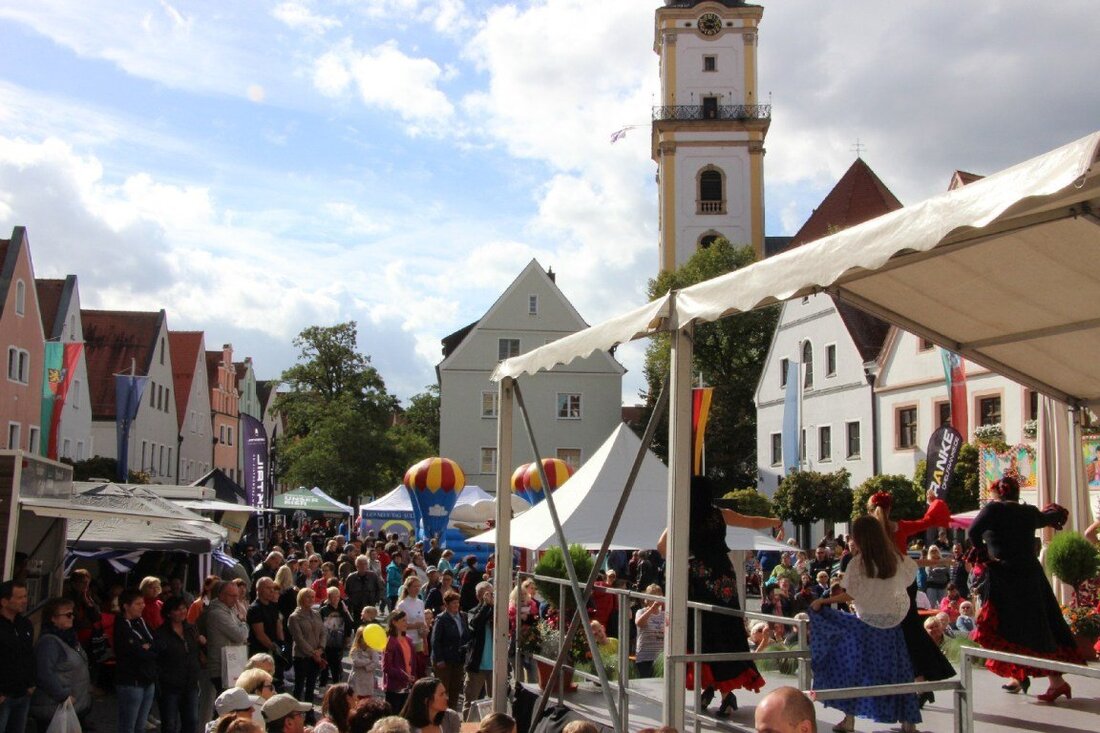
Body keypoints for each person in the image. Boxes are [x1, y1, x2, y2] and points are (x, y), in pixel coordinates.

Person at [657, 476, 780, 717]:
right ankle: (722, 691)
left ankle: (715, 688)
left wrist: (685, 560)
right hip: (724, 579)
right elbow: (750, 521)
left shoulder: (682, 515)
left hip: (699, 579)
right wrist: (774, 520)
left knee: (703, 633)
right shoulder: (719, 514)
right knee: (727, 630)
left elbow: (661, 546)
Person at [969, 476, 1086, 701]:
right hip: (1030, 575)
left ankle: (1044, 679)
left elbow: (973, 532)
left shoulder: (993, 510)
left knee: (1008, 626)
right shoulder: (1028, 512)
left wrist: (983, 556)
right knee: (1040, 624)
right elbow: (1052, 516)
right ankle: (1031, 676)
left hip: (1005, 575)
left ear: (998, 493)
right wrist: (1054, 512)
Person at [809, 515, 921, 733]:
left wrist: (824, 601)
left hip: (867, 627)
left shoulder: (858, 563)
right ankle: (909, 722)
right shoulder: (895, 558)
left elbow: (850, 595)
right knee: (899, 672)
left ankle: (849, 720)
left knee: (854, 671)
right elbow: (908, 578)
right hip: (892, 626)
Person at [867, 490, 955, 699]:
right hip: (905, 585)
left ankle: (913, 682)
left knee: (889, 634)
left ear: (871, 509)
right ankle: (920, 681)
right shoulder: (901, 527)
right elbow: (929, 520)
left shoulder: (869, 531)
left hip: (884, 587)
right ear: (890, 509)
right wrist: (932, 502)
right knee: (911, 632)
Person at [30, 596, 91, 731]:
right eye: (68, 615)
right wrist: (63, 695)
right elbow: (44, 673)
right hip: (55, 708)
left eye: (72, 614)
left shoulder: (69, 638)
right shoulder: (49, 642)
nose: (72, 617)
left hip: (73, 706)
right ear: (53, 618)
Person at [154, 596, 203, 733]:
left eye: (183, 608)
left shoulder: (191, 628)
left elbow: (196, 652)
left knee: (192, 721)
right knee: (170, 724)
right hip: (170, 685)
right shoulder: (161, 633)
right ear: (169, 613)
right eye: (177, 609)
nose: (182, 612)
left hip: (191, 683)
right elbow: (157, 658)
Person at [115, 588, 159, 733]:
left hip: (148, 678)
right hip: (131, 681)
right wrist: (146, 648)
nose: (143, 606)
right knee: (128, 726)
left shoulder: (141, 622)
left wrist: (149, 648)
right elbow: (136, 652)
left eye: (143, 603)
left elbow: (156, 643)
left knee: (140, 726)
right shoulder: (122, 626)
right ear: (126, 606)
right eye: (138, 603)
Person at [207, 581, 251, 695]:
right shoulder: (217, 613)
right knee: (227, 704)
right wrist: (242, 620)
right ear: (221, 595)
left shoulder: (230, 610)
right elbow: (240, 636)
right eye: (232, 596)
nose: (236, 600)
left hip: (232, 664)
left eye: (237, 596)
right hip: (222, 667)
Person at [429, 590, 468, 711]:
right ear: (447, 604)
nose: (456, 605)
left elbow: (466, 635)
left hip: (458, 659)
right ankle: (440, 713)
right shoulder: (441, 619)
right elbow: (435, 641)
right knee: (443, 689)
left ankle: (452, 714)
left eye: (457, 602)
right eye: (453, 603)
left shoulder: (462, 616)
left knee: (455, 689)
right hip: (444, 660)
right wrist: (439, 659)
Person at [288, 587, 326, 705]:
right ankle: (296, 711)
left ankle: (309, 712)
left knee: (311, 686)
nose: (310, 599)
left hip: (316, 655)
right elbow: (299, 639)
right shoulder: (294, 617)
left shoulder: (316, 614)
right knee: (299, 686)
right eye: (307, 597)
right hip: (302, 656)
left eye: (312, 597)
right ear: (301, 598)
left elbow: (323, 632)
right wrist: (313, 653)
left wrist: (321, 648)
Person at [462, 582, 494, 720]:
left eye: (491, 594)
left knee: (497, 702)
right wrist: (486, 606)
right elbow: (475, 624)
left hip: (495, 666)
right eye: (485, 594)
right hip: (477, 665)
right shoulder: (473, 611)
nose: (489, 597)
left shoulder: (497, 611)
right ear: (478, 596)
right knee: (470, 701)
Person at [320, 587, 355, 685]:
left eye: (338, 596)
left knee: (336, 666)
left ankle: (336, 686)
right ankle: (323, 685)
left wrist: (348, 636)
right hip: (326, 642)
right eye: (333, 597)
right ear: (329, 597)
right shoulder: (323, 610)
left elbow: (348, 623)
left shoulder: (343, 609)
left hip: (339, 642)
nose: (336, 599)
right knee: (325, 666)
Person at [382, 611, 416, 713]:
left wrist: (413, 676)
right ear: (394, 622)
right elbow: (387, 667)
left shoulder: (408, 640)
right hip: (394, 688)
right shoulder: (390, 642)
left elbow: (412, 662)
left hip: (408, 686)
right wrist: (404, 676)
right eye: (403, 620)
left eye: (406, 620)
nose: (406, 623)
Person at [395, 576, 428, 674]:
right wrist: (415, 625)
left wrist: (425, 628)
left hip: (420, 639)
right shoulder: (402, 605)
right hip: (408, 639)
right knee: (410, 667)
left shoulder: (420, 602)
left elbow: (423, 620)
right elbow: (399, 625)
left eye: (418, 586)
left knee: (419, 667)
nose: (417, 589)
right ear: (408, 588)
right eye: (414, 586)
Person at [633, 584, 665, 678]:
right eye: (653, 597)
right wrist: (652, 609)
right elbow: (639, 623)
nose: (656, 601)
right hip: (645, 658)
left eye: (659, 597)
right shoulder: (641, 611)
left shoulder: (664, 614)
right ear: (647, 599)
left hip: (659, 659)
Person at [349, 615, 382, 699]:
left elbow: (375, 662)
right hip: (357, 678)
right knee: (355, 698)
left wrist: (366, 666)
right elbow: (356, 662)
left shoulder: (372, 650)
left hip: (368, 679)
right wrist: (367, 661)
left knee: (367, 699)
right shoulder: (355, 650)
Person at [346, 556, 385, 622]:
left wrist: (376, 600)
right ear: (357, 566)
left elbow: (379, 589)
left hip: (370, 607)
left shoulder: (373, 576)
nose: (363, 566)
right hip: (357, 609)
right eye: (361, 564)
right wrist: (352, 603)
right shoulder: (351, 578)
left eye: (365, 564)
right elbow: (347, 592)